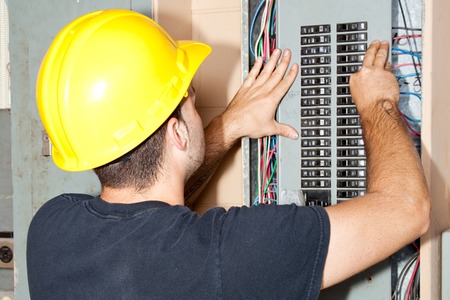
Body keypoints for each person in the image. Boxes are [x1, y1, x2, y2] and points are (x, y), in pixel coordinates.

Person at [27, 9, 430, 300]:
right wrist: (377, 103)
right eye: (190, 98)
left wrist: (231, 124)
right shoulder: (229, 255)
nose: (195, 101)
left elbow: (149, 218)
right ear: (177, 133)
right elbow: (408, 209)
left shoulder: (50, 231)